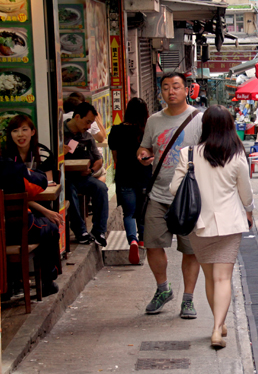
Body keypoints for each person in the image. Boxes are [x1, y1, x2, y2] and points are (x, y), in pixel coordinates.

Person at [170, 105, 254, 348]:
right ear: (229, 126)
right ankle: (218, 328)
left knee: (210, 277)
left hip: (199, 223)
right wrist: (248, 210)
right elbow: (246, 192)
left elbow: (174, 189)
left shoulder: (189, 154)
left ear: (204, 126)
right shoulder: (236, 154)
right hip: (229, 223)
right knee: (223, 278)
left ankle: (218, 324)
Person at [137, 72, 203, 318]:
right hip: (158, 193)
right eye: (166, 87)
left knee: (190, 249)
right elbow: (145, 146)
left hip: (188, 195)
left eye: (176, 86)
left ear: (187, 90)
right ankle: (163, 289)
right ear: (160, 92)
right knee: (152, 244)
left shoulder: (199, 118)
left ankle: (188, 299)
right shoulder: (154, 120)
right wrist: (142, 154)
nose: (171, 91)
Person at [0, 152, 61, 296]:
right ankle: (48, 280)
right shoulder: (11, 167)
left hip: (3, 233)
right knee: (50, 228)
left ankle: (14, 282)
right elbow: (40, 182)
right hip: (18, 230)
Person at [108, 98, 151, 264]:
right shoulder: (146, 130)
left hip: (125, 176)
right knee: (143, 212)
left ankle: (132, 240)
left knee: (129, 213)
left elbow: (115, 157)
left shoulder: (116, 130)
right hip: (144, 177)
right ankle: (142, 241)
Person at [3, 115, 64, 229]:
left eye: (24, 129)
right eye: (15, 131)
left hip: (40, 204)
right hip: (16, 209)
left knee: (52, 224)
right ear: (10, 135)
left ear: (32, 132)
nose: (20, 134)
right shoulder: (6, 157)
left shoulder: (43, 154)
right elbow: (11, 192)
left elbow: (47, 187)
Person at [64, 102, 109, 247]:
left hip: (83, 177)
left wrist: (90, 171)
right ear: (77, 117)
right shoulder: (58, 133)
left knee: (100, 188)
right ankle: (80, 231)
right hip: (64, 179)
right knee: (69, 192)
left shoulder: (87, 137)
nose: (89, 126)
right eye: (87, 122)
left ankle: (99, 231)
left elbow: (98, 160)